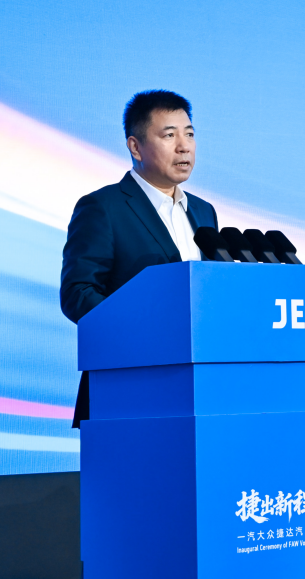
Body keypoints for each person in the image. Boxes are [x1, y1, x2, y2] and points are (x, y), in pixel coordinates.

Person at [60, 90, 220, 426]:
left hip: (197, 388)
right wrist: (145, 332)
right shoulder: (103, 207)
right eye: (169, 135)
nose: (184, 146)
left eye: (190, 134)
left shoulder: (204, 212)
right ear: (135, 147)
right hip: (126, 385)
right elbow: (78, 293)